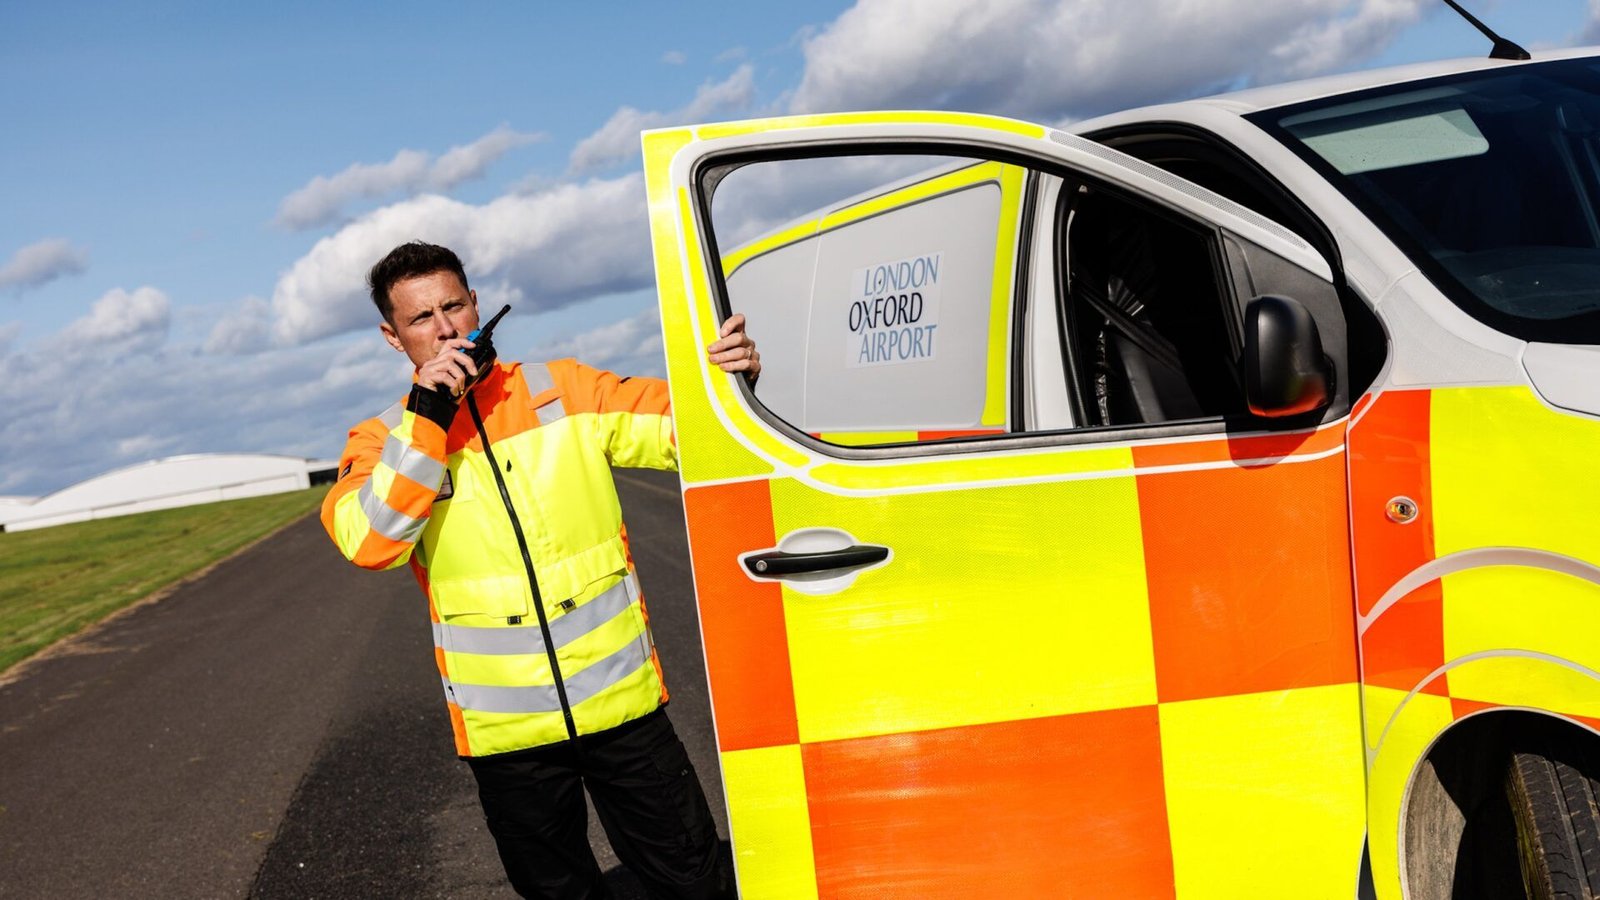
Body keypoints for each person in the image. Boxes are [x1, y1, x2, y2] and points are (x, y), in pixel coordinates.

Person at [320, 241, 758, 899]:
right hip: (508, 737)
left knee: (694, 881)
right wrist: (428, 421)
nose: (444, 330)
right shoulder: (383, 439)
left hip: (622, 705)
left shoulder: (565, 390)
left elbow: (692, 434)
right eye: (421, 319)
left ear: (475, 305)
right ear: (393, 336)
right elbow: (370, 542)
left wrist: (734, 378)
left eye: (453, 307)